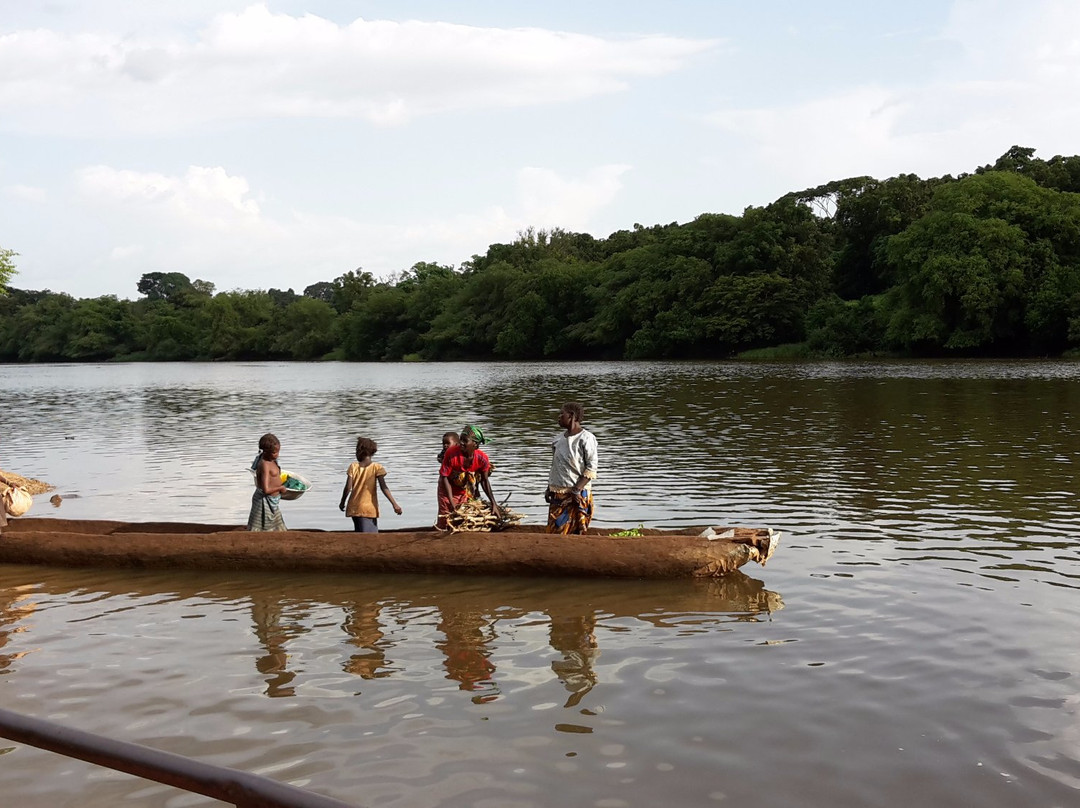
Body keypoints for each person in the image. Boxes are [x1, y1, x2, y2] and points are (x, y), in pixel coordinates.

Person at [546, 402, 598, 535]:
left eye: (562, 414)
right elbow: (555, 466)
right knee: (555, 529)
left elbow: (591, 467)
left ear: (572, 416)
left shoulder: (586, 438)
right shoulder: (557, 440)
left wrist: (577, 490)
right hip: (559, 493)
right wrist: (549, 488)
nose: (559, 417)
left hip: (578, 494)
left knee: (577, 530)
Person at [437, 425, 500, 530]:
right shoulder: (451, 454)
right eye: (461, 439)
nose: (461, 442)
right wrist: (451, 502)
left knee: (461, 517)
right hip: (447, 487)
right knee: (446, 516)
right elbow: (445, 478)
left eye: (465, 441)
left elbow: (485, 481)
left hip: (464, 488)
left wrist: (494, 503)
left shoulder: (482, 458)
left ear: (475, 444)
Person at [339, 436, 402, 533]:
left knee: (360, 533)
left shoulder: (353, 466)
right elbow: (384, 487)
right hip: (368, 508)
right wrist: (395, 504)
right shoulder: (377, 467)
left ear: (360, 451)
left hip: (354, 507)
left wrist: (343, 502)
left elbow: (348, 487)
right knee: (370, 537)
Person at [248, 433, 288, 532]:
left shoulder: (272, 460)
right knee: (259, 530)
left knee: (278, 528)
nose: (277, 455)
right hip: (264, 501)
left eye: (278, 452)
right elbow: (266, 490)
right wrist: (280, 488)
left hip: (273, 501)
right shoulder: (264, 464)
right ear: (265, 452)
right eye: (274, 452)